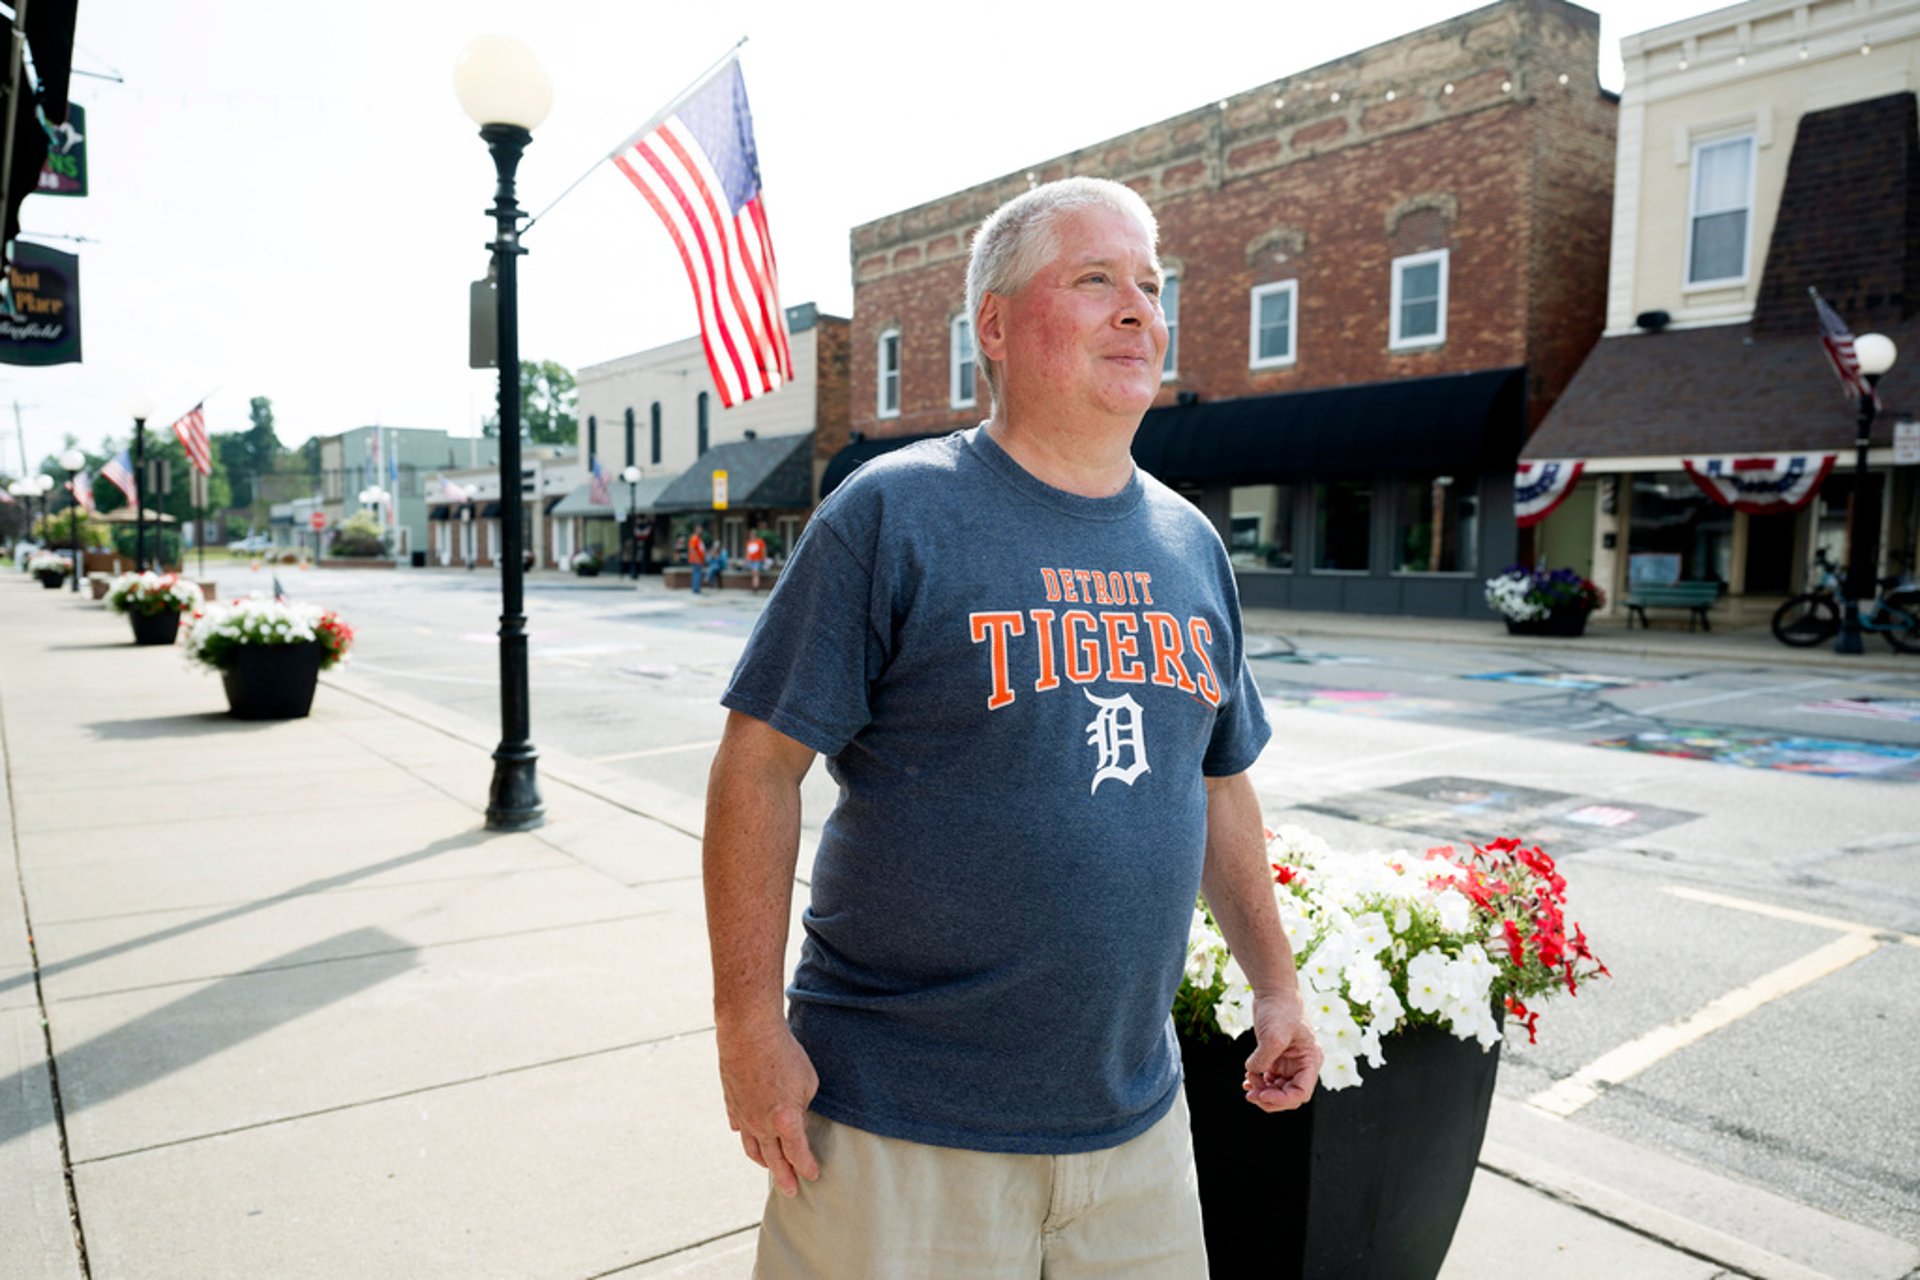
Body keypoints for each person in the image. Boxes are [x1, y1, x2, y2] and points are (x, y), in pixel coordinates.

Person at [703, 176, 1319, 1279]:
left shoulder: (1190, 545)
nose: (1138, 308)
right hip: (901, 1122)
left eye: (1149, 283)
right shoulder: (892, 513)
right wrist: (748, 1024)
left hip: (1135, 1130)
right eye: (1095, 280)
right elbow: (759, 763)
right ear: (994, 323)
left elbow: (1218, 782)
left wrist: (1275, 981)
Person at [744, 527, 769, 591]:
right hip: (750, 560)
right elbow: (747, 552)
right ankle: (754, 585)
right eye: (751, 534)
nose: (752, 535)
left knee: (755, 572)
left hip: (757, 560)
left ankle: (755, 586)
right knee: (754, 573)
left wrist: (764, 558)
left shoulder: (760, 541)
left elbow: (763, 550)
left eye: (753, 534)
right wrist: (746, 559)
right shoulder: (749, 542)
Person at [687, 523, 709, 594]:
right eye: (699, 529)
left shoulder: (699, 539)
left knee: (698, 574)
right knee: (697, 574)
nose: (701, 531)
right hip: (696, 560)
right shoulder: (694, 538)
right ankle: (696, 589)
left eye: (701, 529)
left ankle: (697, 588)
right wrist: (697, 559)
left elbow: (701, 549)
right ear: (696, 530)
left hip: (700, 560)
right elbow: (692, 549)